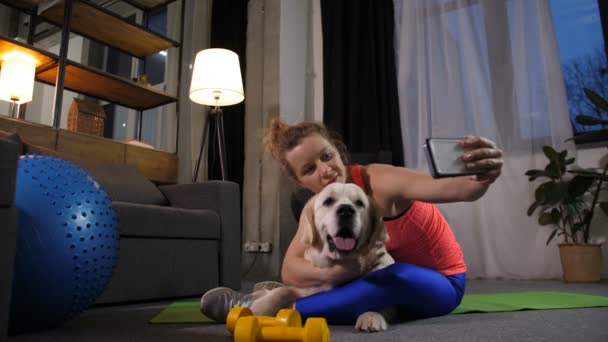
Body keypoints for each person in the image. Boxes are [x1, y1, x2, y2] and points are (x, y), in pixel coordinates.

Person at [201, 117, 503, 324]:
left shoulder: (379, 180)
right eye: (309, 170)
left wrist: (481, 177)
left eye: (326, 156)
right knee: (352, 275)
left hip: (441, 283)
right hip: (381, 283)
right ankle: (279, 297)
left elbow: (452, 188)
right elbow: (291, 268)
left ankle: (263, 309)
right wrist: (333, 274)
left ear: (338, 151)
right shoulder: (319, 206)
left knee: (389, 277)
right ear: (301, 182)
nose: (325, 170)